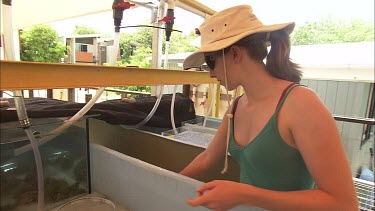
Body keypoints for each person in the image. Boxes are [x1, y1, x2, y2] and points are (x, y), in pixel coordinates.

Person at [180, 4, 358, 211]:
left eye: (211, 62)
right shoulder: (237, 106)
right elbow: (208, 158)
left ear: (235, 54)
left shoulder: (301, 104)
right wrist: (162, 182)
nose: (210, 73)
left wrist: (244, 194)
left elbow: (344, 203)